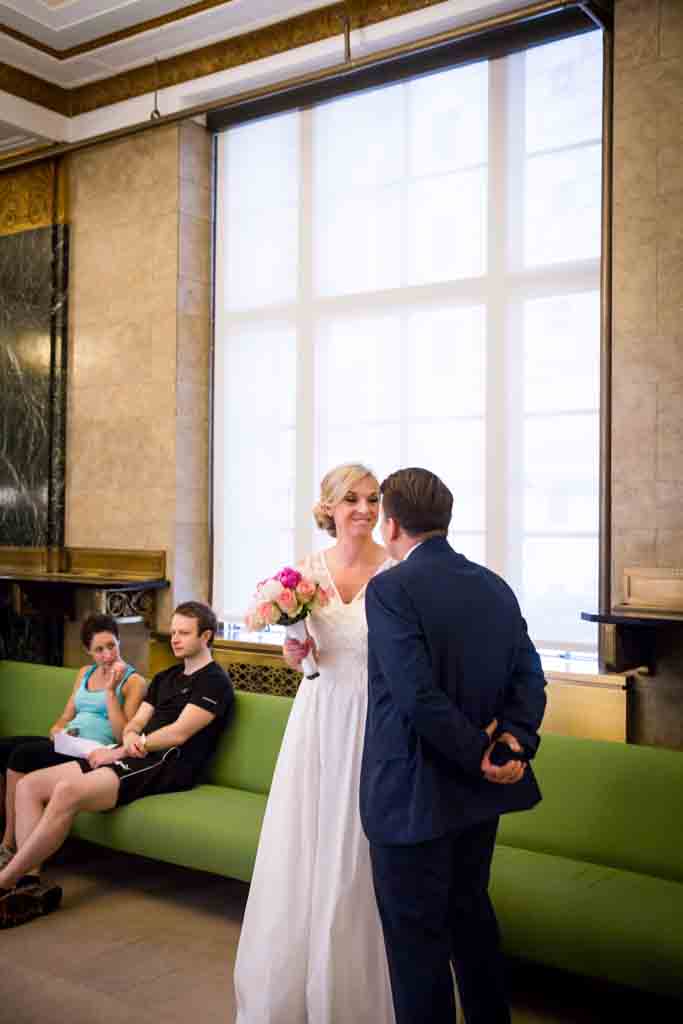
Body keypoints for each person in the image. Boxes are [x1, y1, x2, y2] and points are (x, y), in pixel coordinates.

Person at [361, 467, 547, 1024]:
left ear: (391, 524)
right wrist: (512, 743)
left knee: (417, 949)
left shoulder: (391, 587)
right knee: (472, 921)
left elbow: (416, 695)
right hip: (476, 798)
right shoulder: (494, 585)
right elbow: (530, 677)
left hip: (411, 793)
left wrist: (479, 754)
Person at [234, 463, 397, 1024]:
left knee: (357, 849)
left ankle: (353, 993)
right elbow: (294, 647)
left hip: (375, 721)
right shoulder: (304, 574)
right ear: (328, 507)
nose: (365, 510)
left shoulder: (396, 570)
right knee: (305, 843)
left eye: (373, 499)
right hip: (318, 718)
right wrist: (291, 650)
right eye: (352, 499)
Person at [0, 601, 234, 928]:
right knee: (28, 786)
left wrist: (128, 747)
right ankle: (29, 887)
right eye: (174, 631)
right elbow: (137, 721)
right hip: (133, 754)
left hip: (167, 765)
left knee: (67, 791)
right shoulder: (167, 676)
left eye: (184, 633)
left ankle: (6, 880)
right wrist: (128, 737)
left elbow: (179, 733)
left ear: (206, 636)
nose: (175, 638)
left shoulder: (215, 682)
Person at [0, 613, 146, 868]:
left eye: (111, 645)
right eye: (99, 650)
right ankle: (9, 839)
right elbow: (67, 716)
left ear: (119, 641)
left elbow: (124, 734)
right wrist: (58, 730)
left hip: (96, 751)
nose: (107, 655)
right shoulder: (84, 673)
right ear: (88, 651)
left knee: (21, 756)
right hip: (71, 743)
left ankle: (8, 844)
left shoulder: (133, 681)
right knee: (5, 748)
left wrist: (111, 691)